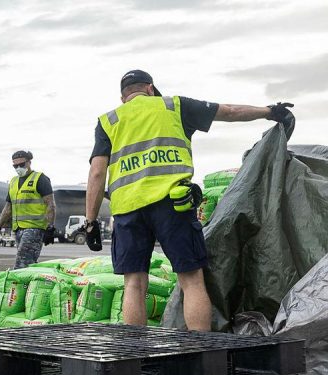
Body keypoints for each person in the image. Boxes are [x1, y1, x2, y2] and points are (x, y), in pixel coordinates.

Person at [84, 69, 294, 331]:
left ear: (123, 96)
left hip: (128, 210)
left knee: (134, 283)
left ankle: (134, 357)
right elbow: (228, 111)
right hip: (173, 204)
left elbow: (96, 172)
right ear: (150, 88)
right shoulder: (174, 106)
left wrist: (90, 222)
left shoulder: (109, 121)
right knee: (191, 279)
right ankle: (199, 355)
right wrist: (269, 111)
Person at [0, 150, 56, 268]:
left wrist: (50, 227)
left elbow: (50, 204)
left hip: (34, 228)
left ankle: (18, 286)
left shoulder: (40, 179)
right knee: (28, 263)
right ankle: (32, 285)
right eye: (15, 166)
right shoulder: (13, 182)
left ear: (29, 162)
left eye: (22, 164)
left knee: (22, 263)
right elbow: (8, 208)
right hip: (18, 229)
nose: (18, 168)